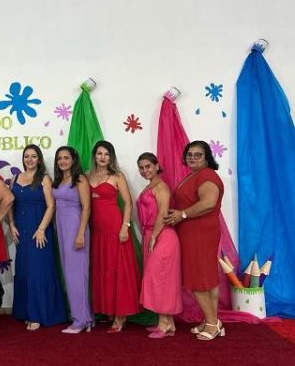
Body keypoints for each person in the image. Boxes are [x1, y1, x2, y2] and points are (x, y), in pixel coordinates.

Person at [164, 141, 225, 341]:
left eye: (198, 155)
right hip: (195, 233)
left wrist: (181, 214)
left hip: (200, 234)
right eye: (189, 154)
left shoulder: (207, 175)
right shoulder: (195, 175)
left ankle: (212, 324)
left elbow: (208, 203)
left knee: (199, 279)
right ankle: (213, 321)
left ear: (207, 158)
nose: (192, 158)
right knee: (206, 279)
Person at [9, 144, 66, 331]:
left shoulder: (45, 179)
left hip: (40, 232)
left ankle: (39, 314)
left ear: (39, 159)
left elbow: (51, 206)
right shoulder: (15, 178)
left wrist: (41, 229)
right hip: (22, 232)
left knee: (39, 272)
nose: (30, 159)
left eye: (34, 156)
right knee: (24, 270)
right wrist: (11, 224)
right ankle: (26, 312)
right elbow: (9, 203)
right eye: (27, 156)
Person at [88, 140, 140, 333]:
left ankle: (121, 316)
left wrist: (125, 227)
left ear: (111, 157)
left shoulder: (117, 176)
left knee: (118, 271)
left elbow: (128, 203)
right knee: (104, 270)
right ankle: (109, 310)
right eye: (99, 153)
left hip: (115, 229)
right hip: (97, 231)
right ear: (94, 155)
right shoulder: (87, 175)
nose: (103, 157)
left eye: (106, 154)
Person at [136, 152, 182, 338]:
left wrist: (154, 236)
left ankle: (164, 323)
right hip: (151, 235)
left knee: (160, 278)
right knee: (158, 278)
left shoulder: (161, 187)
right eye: (141, 167)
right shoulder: (150, 186)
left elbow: (163, 213)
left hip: (163, 236)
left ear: (156, 166)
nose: (144, 170)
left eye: (148, 166)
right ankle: (169, 322)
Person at [52, 146, 92, 334]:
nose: (62, 161)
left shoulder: (80, 179)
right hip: (62, 228)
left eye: (66, 158)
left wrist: (81, 233)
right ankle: (85, 317)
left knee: (77, 274)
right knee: (69, 274)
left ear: (73, 160)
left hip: (76, 227)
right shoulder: (59, 180)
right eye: (59, 158)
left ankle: (81, 320)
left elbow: (86, 208)